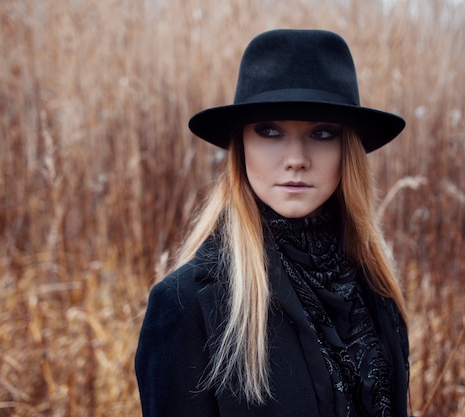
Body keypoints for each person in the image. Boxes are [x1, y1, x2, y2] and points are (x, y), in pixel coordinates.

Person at [135, 29, 410, 417]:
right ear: (241, 145)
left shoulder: (375, 287)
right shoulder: (185, 306)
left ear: (347, 148)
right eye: (269, 131)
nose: (296, 158)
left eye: (322, 132)